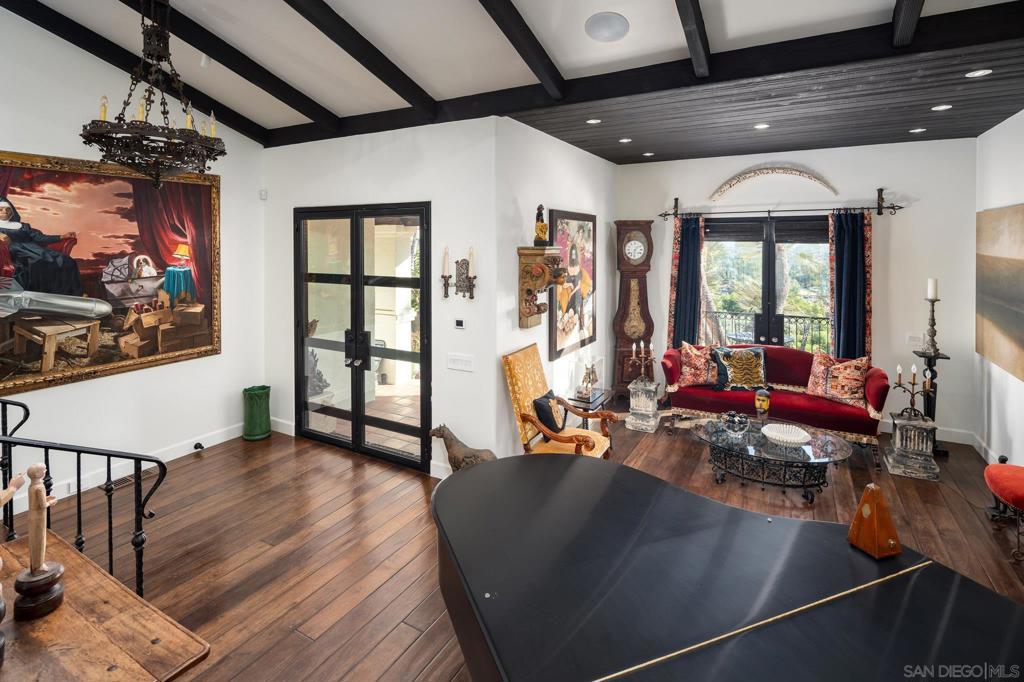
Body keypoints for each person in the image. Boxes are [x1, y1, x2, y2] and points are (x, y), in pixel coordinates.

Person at [0, 196, 82, 296]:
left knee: (66, 260)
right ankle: (41, 295)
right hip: (13, 251)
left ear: (12, 211)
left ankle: (68, 294)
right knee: (38, 262)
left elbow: (39, 238)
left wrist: (62, 236)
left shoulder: (23, 226)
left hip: (34, 249)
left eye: (8, 209)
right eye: (1, 209)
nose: (5, 212)